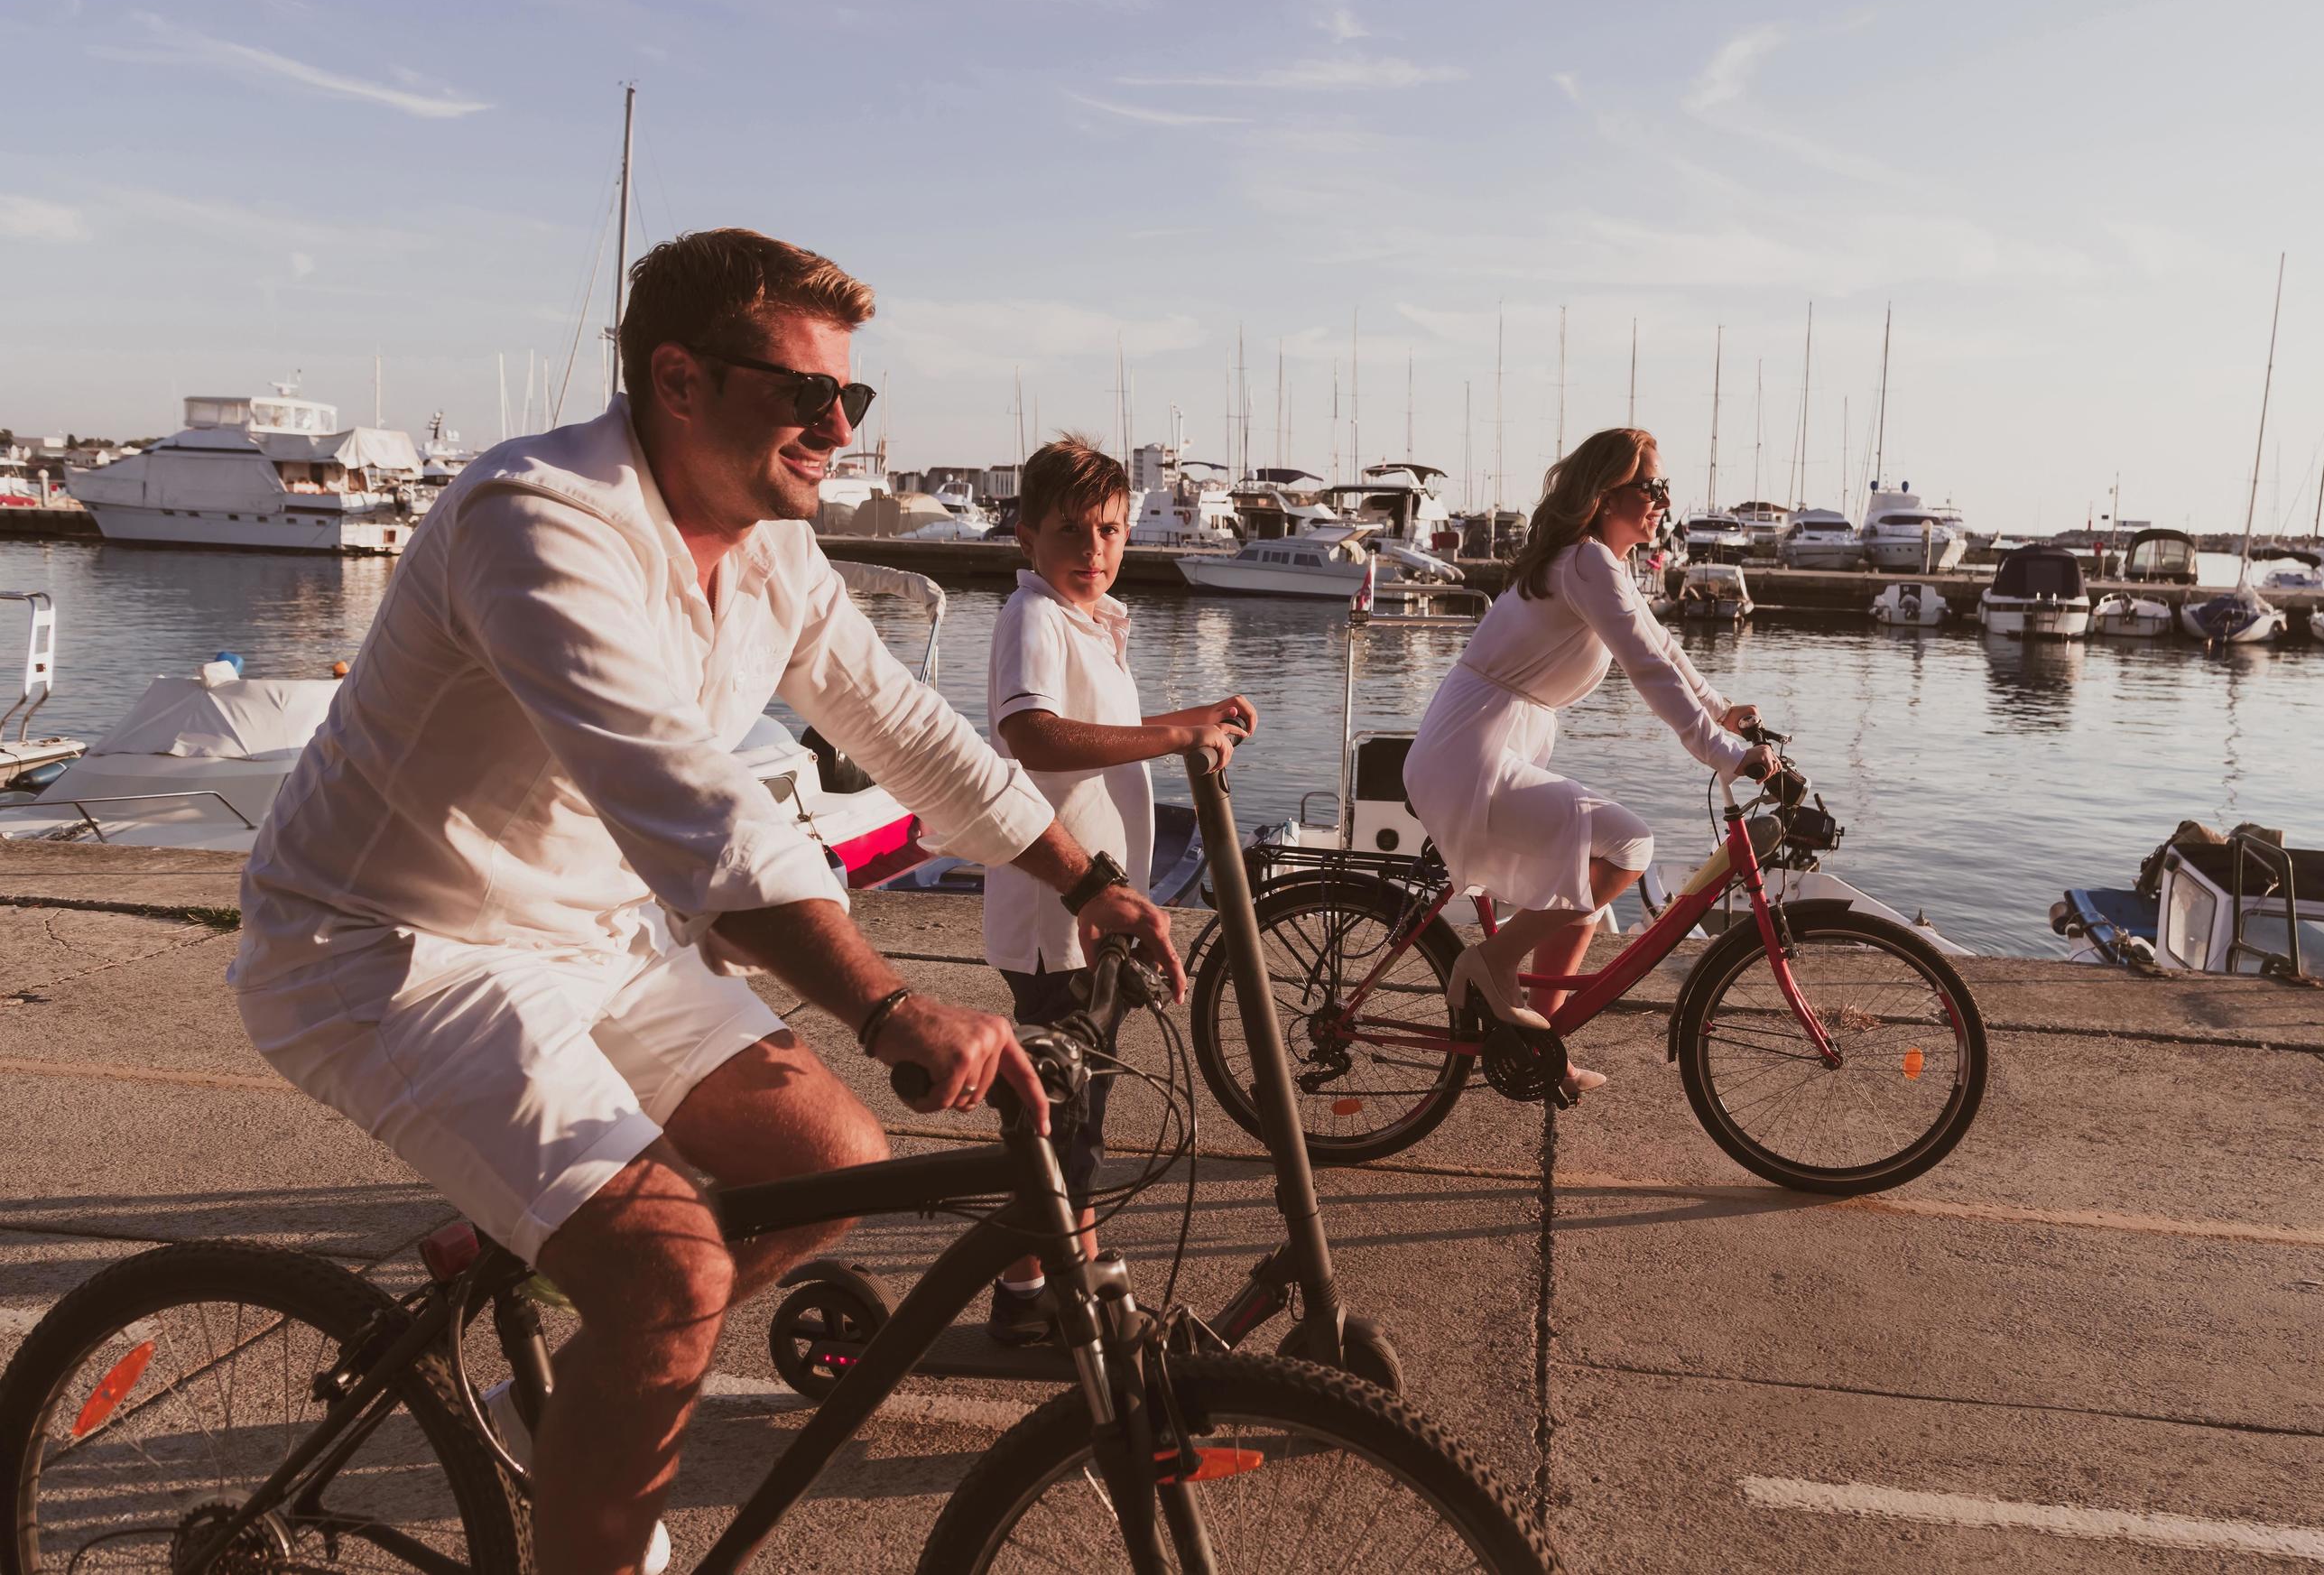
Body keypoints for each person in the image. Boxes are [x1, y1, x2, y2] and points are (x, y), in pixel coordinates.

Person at [228, 227, 1181, 1575]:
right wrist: (890, 1004)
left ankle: (557, 1400)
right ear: (677, 381)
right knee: (673, 1271)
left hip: (598, 937)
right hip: (394, 947)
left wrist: (1086, 882)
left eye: (854, 397)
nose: (836, 426)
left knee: (833, 1164)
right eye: (805, 393)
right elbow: (689, 806)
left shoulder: (772, 550)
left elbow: (906, 730)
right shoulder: (540, 521)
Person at [979, 434, 1255, 1344]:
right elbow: (1039, 737)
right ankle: (1038, 1300)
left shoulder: (1090, 622)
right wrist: (1176, 742)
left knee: (1071, 1125)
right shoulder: (1037, 622)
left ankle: (1056, 1291)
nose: (1091, 548)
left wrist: (1199, 718)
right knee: (1066, 1131)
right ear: (1026, 535)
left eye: (1107, 529)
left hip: (1093, 921)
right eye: (1070, 531)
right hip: (1054, 923)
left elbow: (1116, 728)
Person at [1402, 427, 1773, 1092]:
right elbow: (1646, 673)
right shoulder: (1586, 564)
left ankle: (1537, 1048)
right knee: (1629, 845)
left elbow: (1663, 649)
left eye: (1663, 487)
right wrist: (1725, 755)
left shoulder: (1602, 562)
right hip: (1473, 752)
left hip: (1487, 742)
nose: (1663, 500)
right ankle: (1491, 962)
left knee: (1589, 866)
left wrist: (1723, 711)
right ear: (1607, 494)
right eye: (1651, 485)